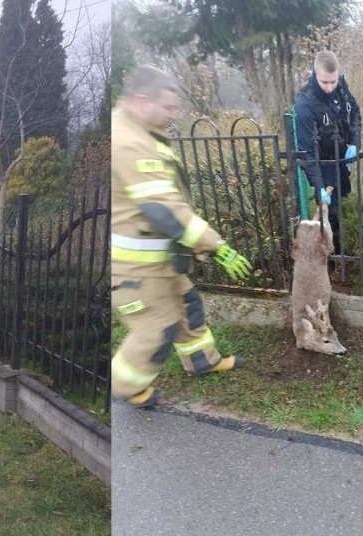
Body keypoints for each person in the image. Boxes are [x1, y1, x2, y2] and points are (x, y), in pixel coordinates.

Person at [110, 64, 253, 409]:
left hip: (159, 261)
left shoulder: (145, 132)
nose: (176, 115)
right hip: (136, 270)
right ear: (143, 101)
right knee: (156, 329)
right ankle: (123, 386)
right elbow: (164, 209)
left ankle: (203, 361)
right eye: (170, 108)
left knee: (187, 306)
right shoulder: (128, 141)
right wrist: (215, 246)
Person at [292, 50, 361, 256]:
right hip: (322, 165)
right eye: (325, 82)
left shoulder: (342, 86)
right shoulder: (305, 104)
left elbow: (355, 114)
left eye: (333, 81)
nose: (330, 88)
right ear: (315, 74)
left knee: (346, 204)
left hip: (343, 160)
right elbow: (308, 153)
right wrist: (320, 186)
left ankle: (347, 252)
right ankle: (333, 259)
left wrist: (354, 143)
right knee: (331, 215)